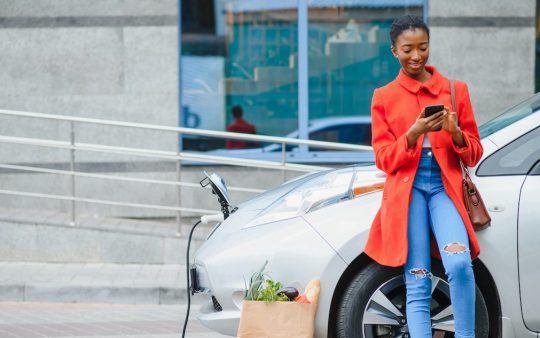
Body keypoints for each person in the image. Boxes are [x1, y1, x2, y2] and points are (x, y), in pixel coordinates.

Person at [364, 15, 483, 338]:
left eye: (423, 48)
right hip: (408, 192)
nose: (416, 56)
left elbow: (473, 152)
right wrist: (414, 133)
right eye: (407, 50)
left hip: (444, 188)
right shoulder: (384, 97)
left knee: (458, 264)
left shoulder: (455, 90)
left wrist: (455, 133)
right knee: (417, 277)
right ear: (394, 51)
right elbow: (384, 159)